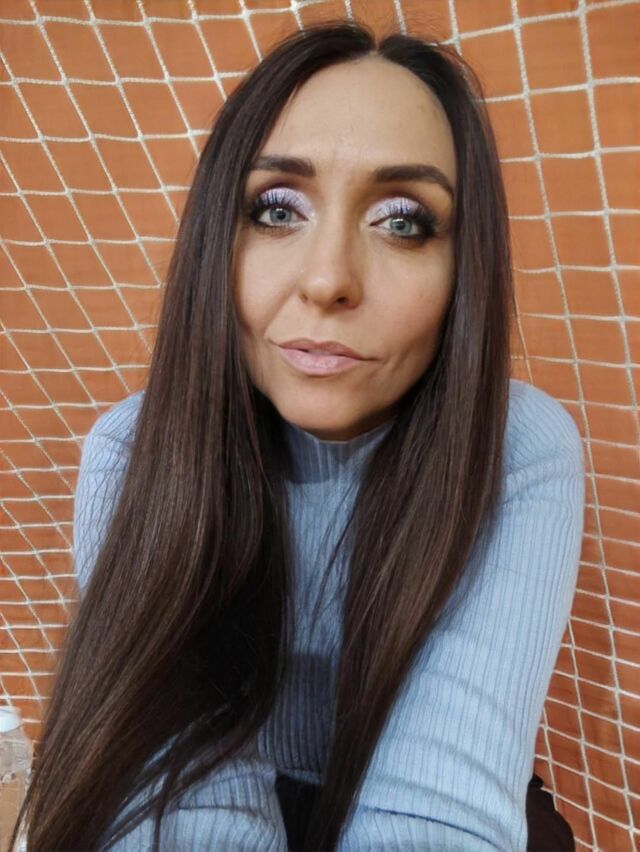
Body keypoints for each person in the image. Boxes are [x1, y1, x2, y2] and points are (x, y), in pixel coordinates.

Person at [14, 19, 584, 852]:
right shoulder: (132, 455)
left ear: (465, 266)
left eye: (403, 220)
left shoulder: (517, 449)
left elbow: (439, 817)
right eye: (277, 209)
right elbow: (178, 800)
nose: (326, 280)